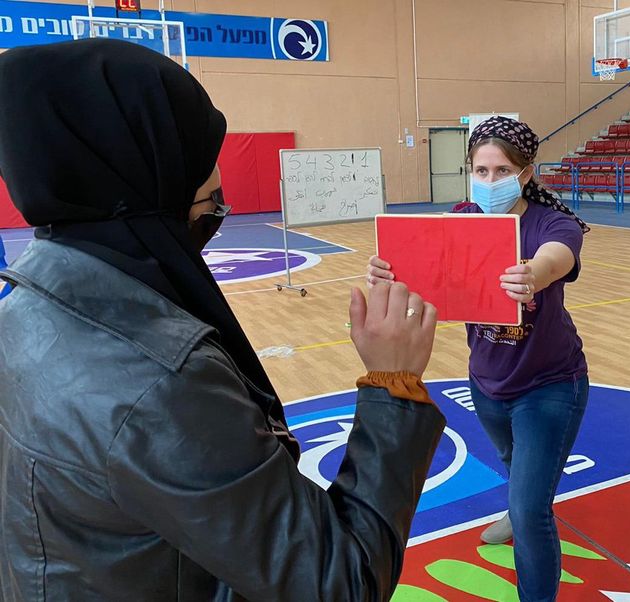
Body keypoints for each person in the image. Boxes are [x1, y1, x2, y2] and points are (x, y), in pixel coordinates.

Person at [0, 39, 445, 601]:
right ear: (149, 187)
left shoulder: (23, 306)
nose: (212, 223)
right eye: (209, 206)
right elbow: (340, 583)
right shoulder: (159, 384)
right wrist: (393, 384)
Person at [367, 116, 590, 602]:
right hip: (487, 381)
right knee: (513, 463)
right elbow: (427, 279)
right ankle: (517, 502)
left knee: (534, 511)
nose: (490, 181)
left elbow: (560, 255)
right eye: (481, 170)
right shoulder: (461, 218)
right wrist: (389, 272)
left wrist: (534, 273)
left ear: (526, 173)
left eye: (502, 170)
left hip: (550, 384)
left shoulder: (553, 223)